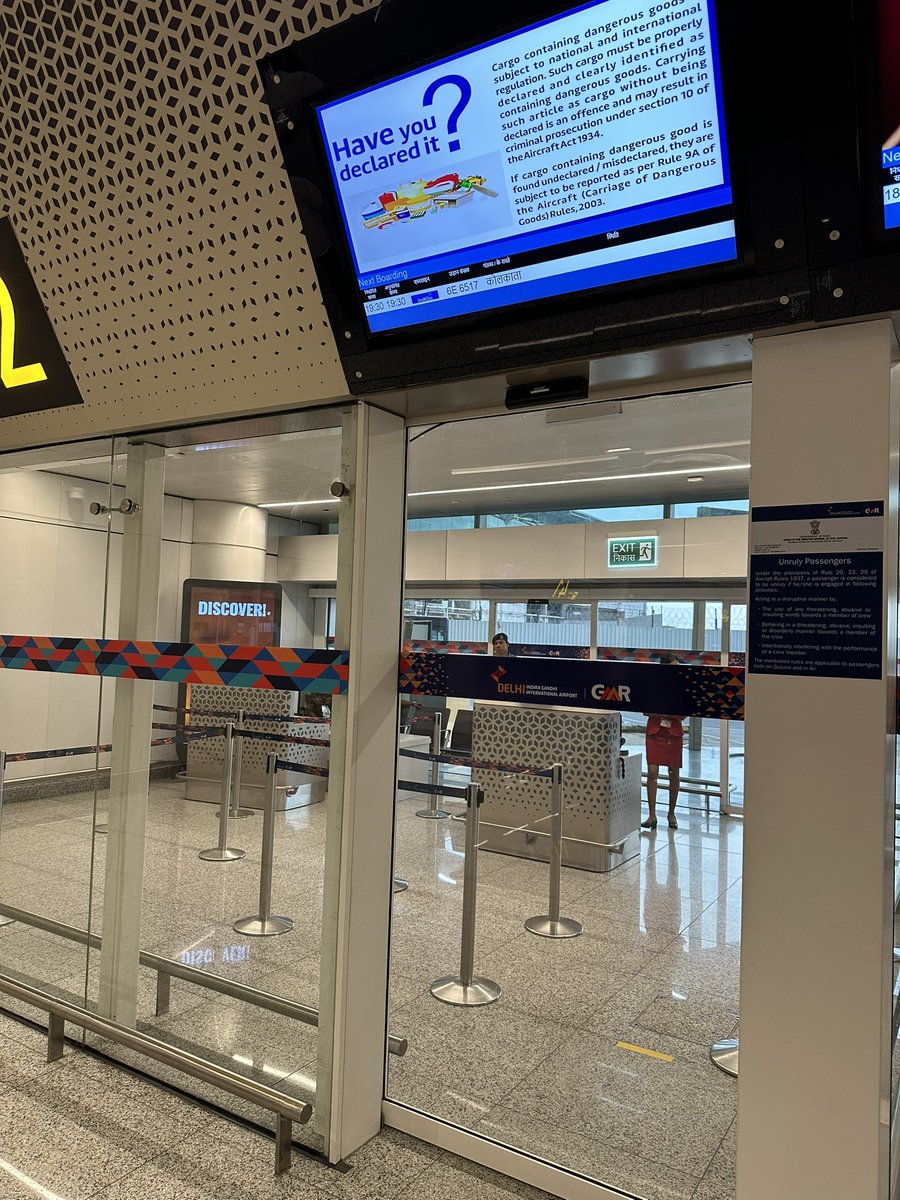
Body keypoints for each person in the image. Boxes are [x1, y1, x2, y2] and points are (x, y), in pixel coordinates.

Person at [641, 652, 684, 831]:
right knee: (652, 772)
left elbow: (683, 714)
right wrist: (664, 713)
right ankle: (652, 815)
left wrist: (665, 712)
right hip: (655, 731)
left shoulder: (681, 686)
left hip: (673, 733)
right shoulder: (652, 684)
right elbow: (645, 709)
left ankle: (671, 813)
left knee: (673, 773)